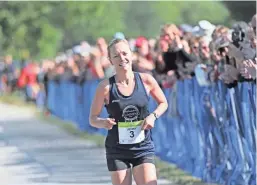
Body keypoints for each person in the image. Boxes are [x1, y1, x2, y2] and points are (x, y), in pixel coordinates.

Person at [89, 38, 168, 185]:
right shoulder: (105, 87)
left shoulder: (146, 81)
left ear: (131, 55)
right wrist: (103, 122)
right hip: (117, 149)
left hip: (142, 147)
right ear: (110, 60)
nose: (122, 58)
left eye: (125, 53)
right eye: (116, 56)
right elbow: (92, 118)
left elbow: (163, 103)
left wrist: (153, 116)